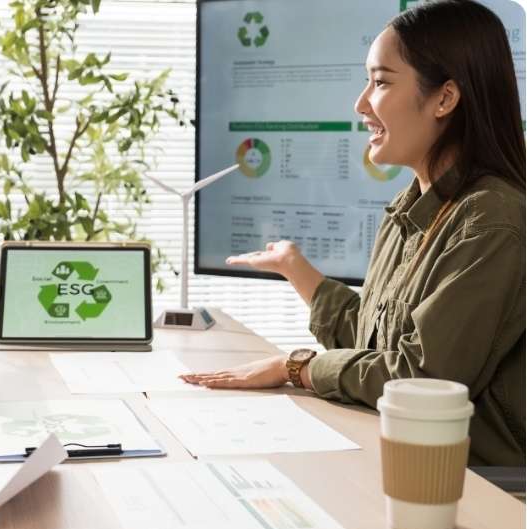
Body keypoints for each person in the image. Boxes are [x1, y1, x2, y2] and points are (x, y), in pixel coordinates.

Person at [182, 0, 525, 467]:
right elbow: (373, 346)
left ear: (444, 99)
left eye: (381, 82)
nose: (361, 103)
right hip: (397, 452)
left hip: (469, 483)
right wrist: (296, 269)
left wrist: (297, 367)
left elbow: (419, 378)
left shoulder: (492, 221)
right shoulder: (408, 210)